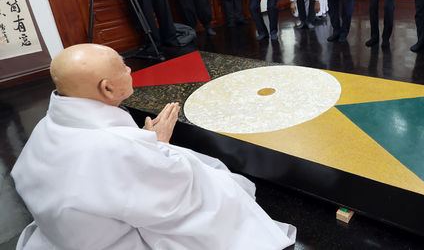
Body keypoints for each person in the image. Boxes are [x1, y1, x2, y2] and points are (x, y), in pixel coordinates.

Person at [11, 43, 296, 249]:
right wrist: (158, 146)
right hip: (113, 240)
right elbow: (175, 196)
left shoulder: (47, 126)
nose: (130, 69)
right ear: (107, 89)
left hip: (63, 232)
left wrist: (143, 144)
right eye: (123, 68)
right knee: (218, 186)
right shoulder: (118, 148)